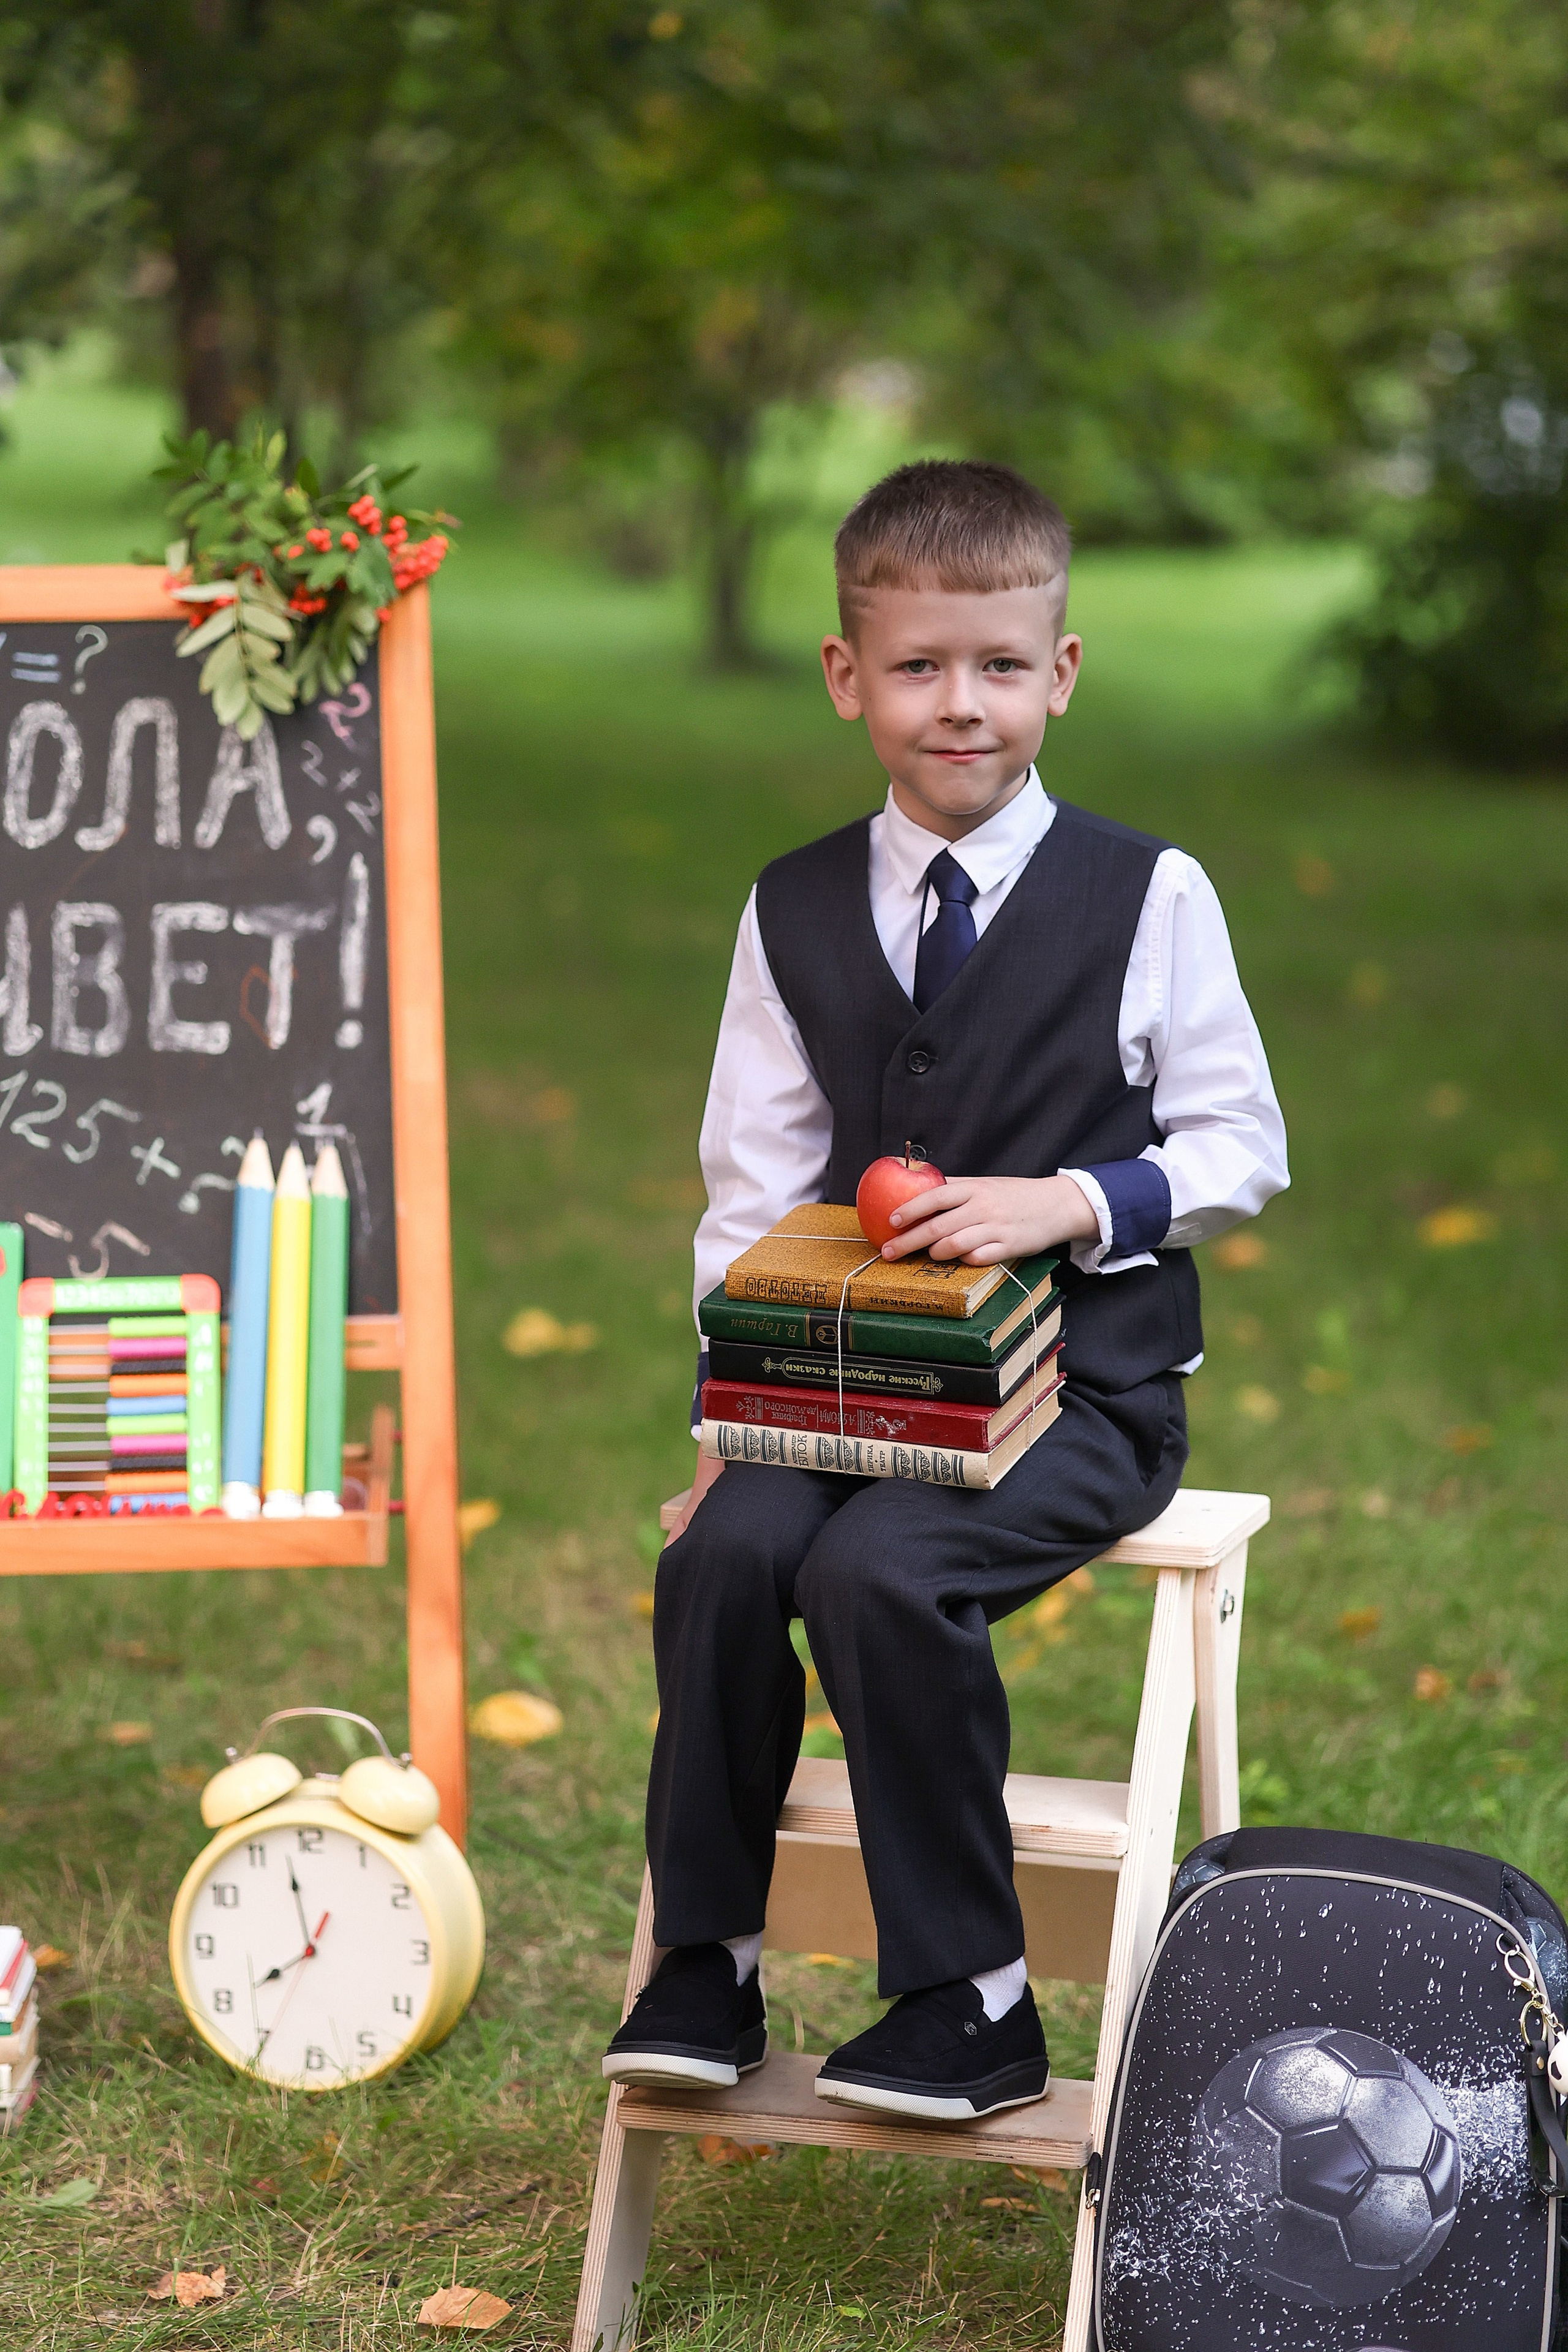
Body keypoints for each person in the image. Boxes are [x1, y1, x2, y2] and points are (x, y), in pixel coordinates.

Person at [603, 459, 1288, 2121]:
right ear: (850, 680)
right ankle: (709, 1959)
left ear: (1060, 673)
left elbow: (1240, 1145)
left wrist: (1065, 1202)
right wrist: (725, 1427)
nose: (959, 704)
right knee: (732, 1559)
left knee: (880, 1572)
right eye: (918, 667)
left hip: (1087, 1397)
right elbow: (751, 1192)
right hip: (842, 1386)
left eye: (998, 666)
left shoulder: (1150, 895)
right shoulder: (792, 907)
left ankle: (971, 2001)